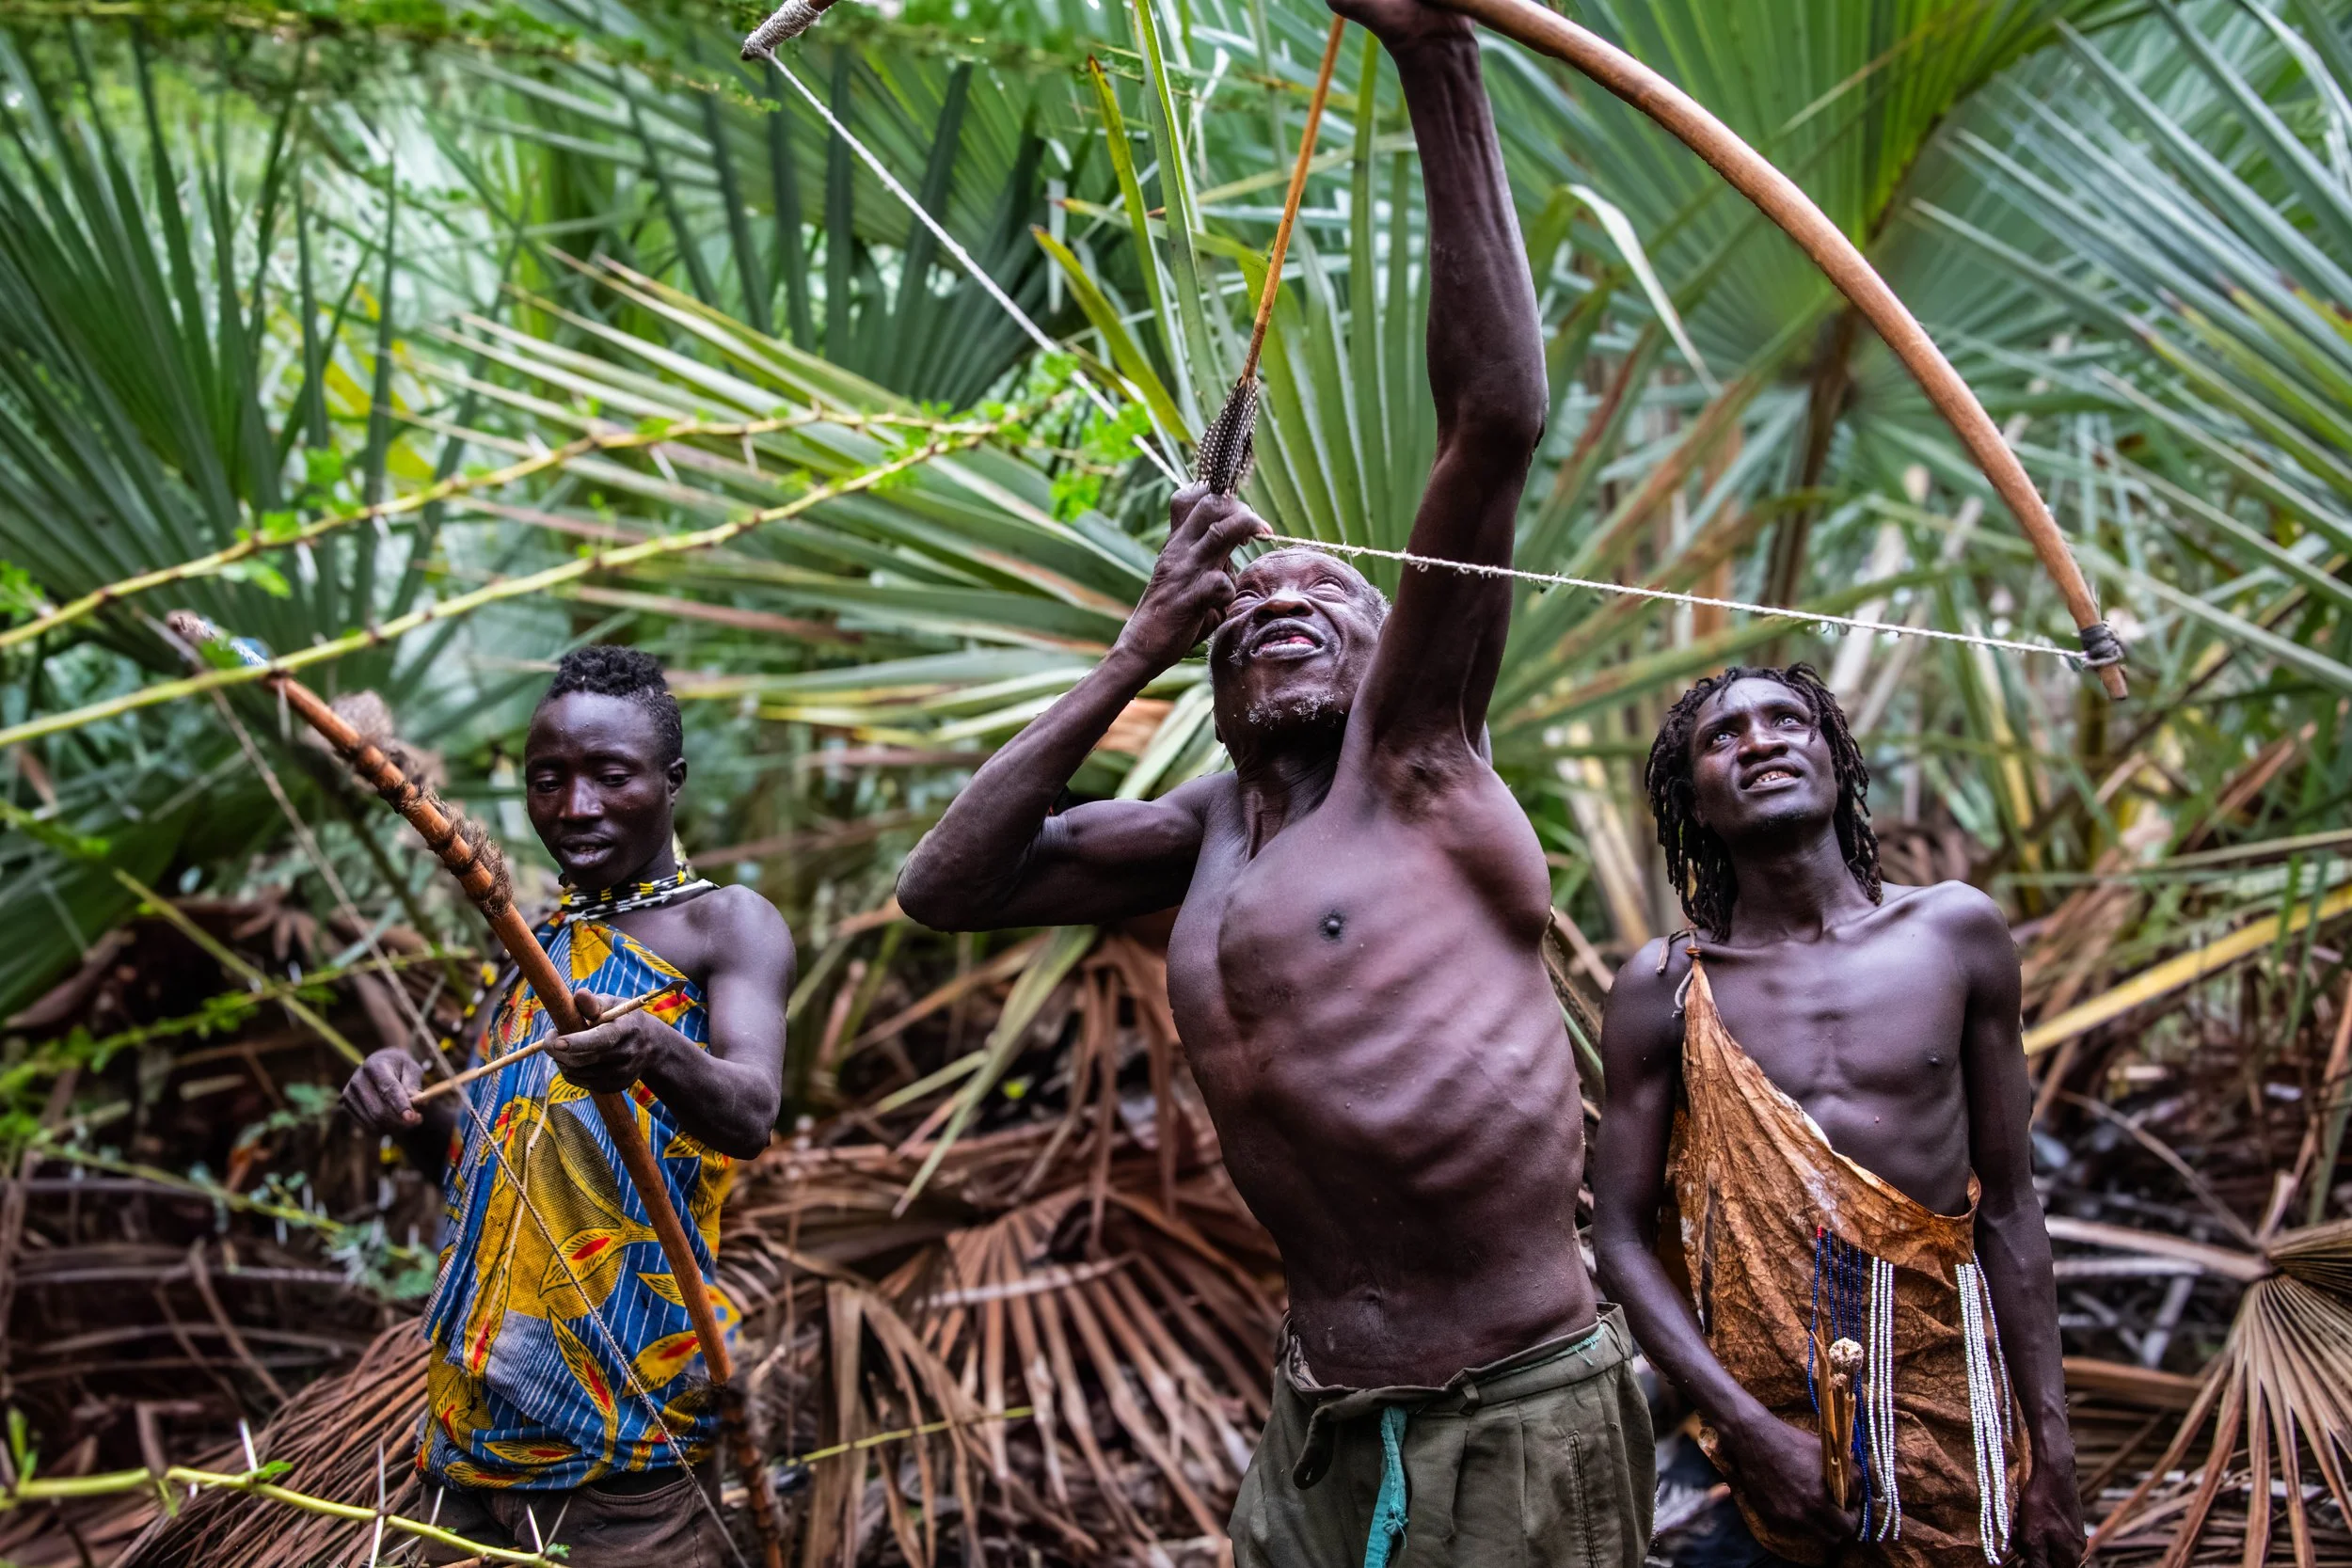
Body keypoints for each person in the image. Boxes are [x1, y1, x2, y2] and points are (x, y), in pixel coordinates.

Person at [893, 2, 1651, 1561]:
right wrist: (1130, 650)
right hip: (1320, 1416)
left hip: (1514, 1404)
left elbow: (1496, 418)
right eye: (1242, 606)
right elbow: (944, 888)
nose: (1275, 605)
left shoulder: (1419, 761)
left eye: (1326, 596)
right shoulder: (1203, 837)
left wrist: (1438, 57)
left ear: (1394, 652)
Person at [1592, 665, 2083, 1568]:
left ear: (1837, 761)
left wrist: (2053, 1453)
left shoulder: (1954, 933)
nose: (1760, 741)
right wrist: (1745, 1429)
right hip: (1773, 1435)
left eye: (1787, 720)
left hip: (1958, 1414)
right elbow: (1619, 1238)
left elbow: (2012, 1206)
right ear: (1694, 800)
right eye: (1722, 736)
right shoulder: (1665, 988)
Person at [342, 645, 793, 1566]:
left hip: (625, 1431)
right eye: (548, 779)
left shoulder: (725, 923)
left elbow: (750, 1113)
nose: (575, 806)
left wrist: (652, 1046)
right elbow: (480, 1162)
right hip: (472, 1419)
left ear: (672, 780)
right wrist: (400, 1098)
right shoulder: (531, 943)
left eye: (610, 775)